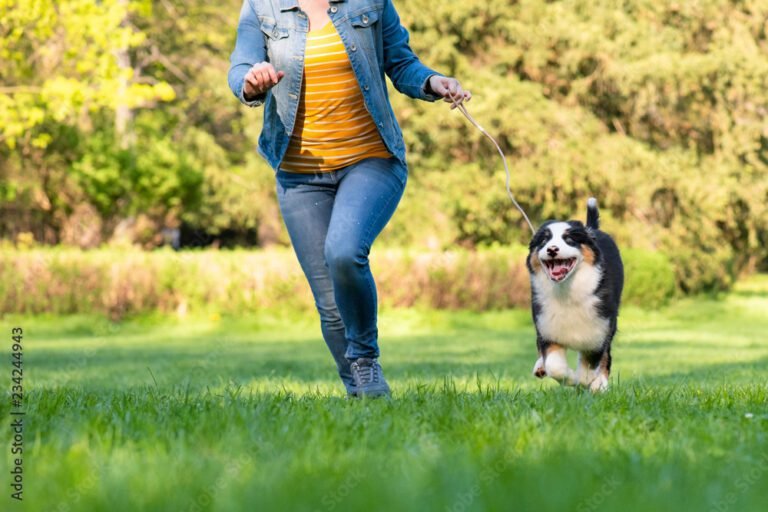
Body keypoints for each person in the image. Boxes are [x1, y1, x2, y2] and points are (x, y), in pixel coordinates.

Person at [228, 0, 471, 397]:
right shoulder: (262, 6)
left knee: (343, 251)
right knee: (329, 302)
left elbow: (401, 63)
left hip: (371, 160)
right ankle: (361, 394)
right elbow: (240, 68)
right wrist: (251, 81)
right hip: (299, 175)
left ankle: (365, 360)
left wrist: (432, 82)